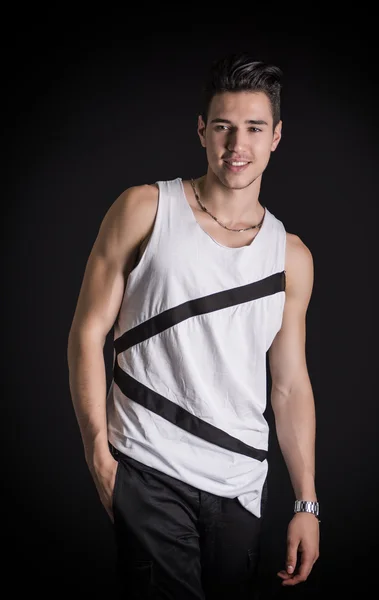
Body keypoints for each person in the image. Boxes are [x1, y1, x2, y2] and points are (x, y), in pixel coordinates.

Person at [67, 51, 320, 599]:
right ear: (202, 131)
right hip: (149, 465)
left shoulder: (291, 256)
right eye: (224, 128)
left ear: (275, 136)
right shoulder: (144, 208)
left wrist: (306, 503)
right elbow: (89, 333)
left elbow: (290, 384)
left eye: (254, 128)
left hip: (240, 482)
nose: (237, 146)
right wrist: (97, 454)